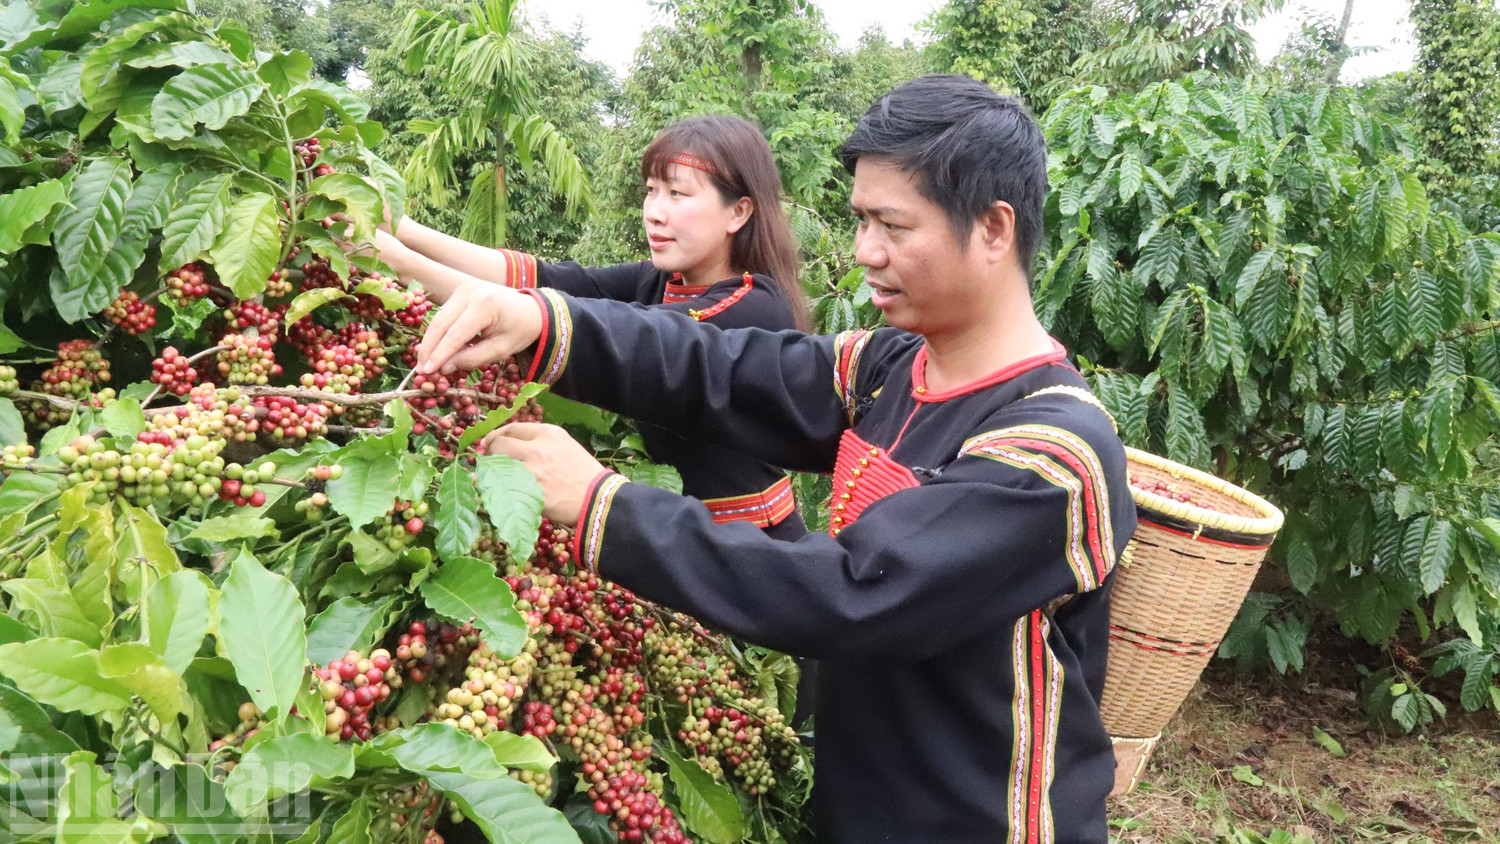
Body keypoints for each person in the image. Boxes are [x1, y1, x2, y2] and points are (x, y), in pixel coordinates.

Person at [416, 75, 1135, 843]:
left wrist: (604, 505)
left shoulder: (1051, 457)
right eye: (861, 220)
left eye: (892, 226)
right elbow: (721, 367)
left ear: (993, 229)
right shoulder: (891, 367)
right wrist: (541, 321)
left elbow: (852, 592)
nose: (865, 252)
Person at [374, 115, 810, 541]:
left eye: (678, 194)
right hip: (676, 540)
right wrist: (401, 230)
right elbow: (547, 281)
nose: (655, 212)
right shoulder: (662, 280)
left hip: (751, 548)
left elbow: (624, 337)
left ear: (738, 212)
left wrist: (401, 263)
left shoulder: (752, 309)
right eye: (651, 191)